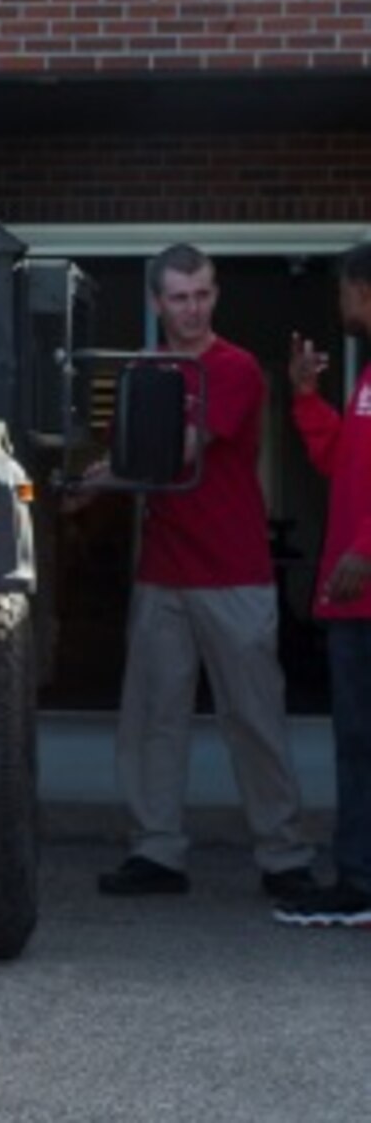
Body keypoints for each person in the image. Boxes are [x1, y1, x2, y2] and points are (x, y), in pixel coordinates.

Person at [88, 244, 316, 899]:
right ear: (157, 301)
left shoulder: (236, 369)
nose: (192, 308)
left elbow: (171, 451)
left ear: (214, 295)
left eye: (203, 294)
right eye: (180, 297)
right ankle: (156, 851)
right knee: (152, 716)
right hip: (163, 570)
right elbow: (124, 452)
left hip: (235, 570)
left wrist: (104, 478)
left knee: (255, 716)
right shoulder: (143, 369)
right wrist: (87, 482)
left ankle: (284, 854)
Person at [276, 242, 371, 928]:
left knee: (361, 742)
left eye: (343, 288)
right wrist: (307, 398)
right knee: (356, 740)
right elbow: (343, 460)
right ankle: (357, 873)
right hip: (353, 597)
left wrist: (367, 549)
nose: (339, 302)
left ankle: (359, 883)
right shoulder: (367, 377)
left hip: (364, 589)